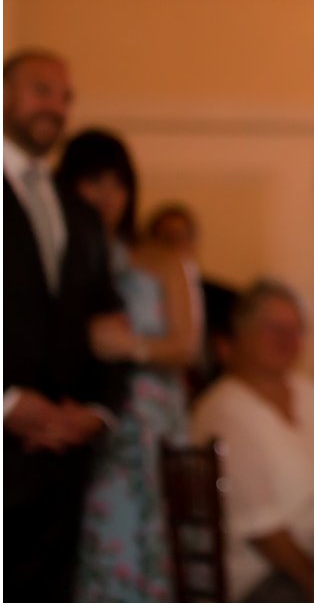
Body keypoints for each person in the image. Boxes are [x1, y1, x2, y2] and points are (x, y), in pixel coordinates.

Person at [54, 129, 202, 602]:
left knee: (146, 538)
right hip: (85, 420)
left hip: (148, 424)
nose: (105, 197)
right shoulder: (63, 256)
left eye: (117, 184)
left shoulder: (158, 257)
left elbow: (187, 345)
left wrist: (129, 347)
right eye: (92, 182)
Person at [2, 49, 127, 601]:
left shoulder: (78, 215)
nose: (55, 105)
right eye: (40, 89)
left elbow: (108, 328)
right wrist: (6, 403)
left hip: (62, 466)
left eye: (65, 96)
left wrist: (96, 412)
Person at [190, 280, 314, 601]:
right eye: (274, 329)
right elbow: (262, 530)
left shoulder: (310, 394)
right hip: (266, 578)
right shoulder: (225, 410)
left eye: (297, 330)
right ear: (241, 335)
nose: (288, 341)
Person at [146, 203, 238, 396]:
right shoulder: (142, 301)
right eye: (167, 239)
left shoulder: (226, 299)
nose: (175, 246)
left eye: (182, 237)